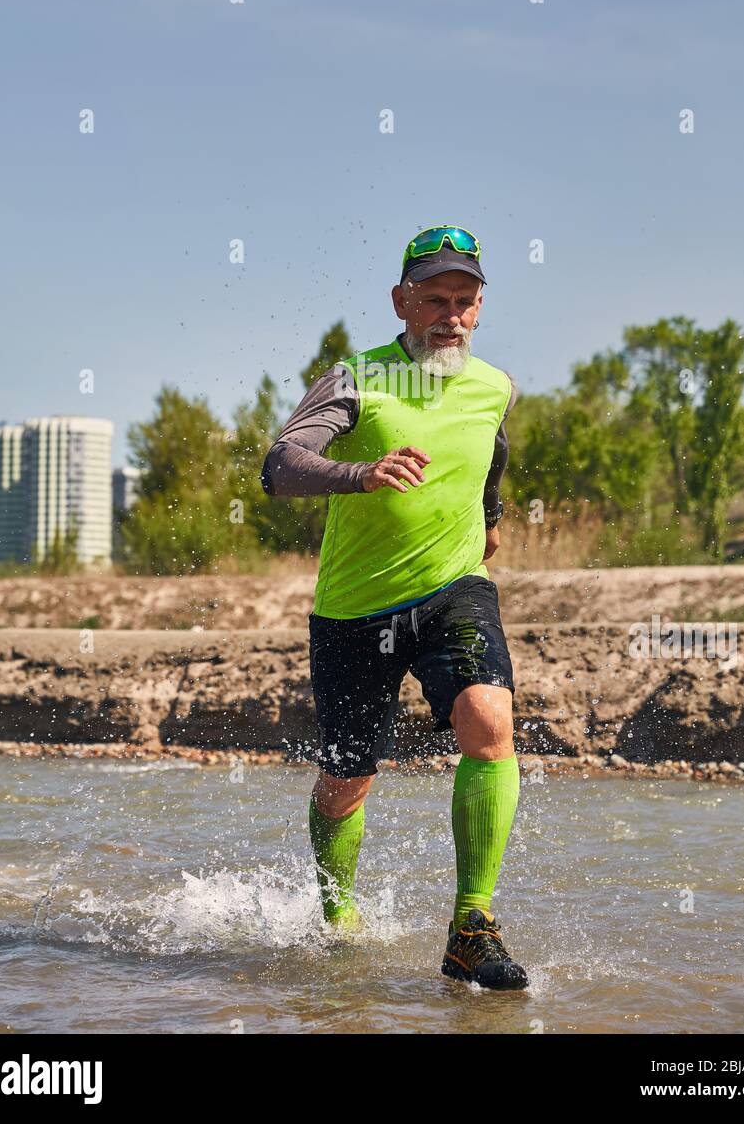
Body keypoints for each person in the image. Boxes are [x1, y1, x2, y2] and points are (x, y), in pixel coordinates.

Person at [261, 226, 528, 990]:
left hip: (455, 587)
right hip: (356, 608)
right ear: (401, 301)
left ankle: (471, 927)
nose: (450, 314)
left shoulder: (495, 385)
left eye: (464, 301)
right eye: (435, 299)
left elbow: (491, 452)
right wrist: (361, 474)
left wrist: (491, 514)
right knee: (348, 779)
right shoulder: (357, 377)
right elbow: (280, 467)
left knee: (489, 721)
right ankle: (337, 914)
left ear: (480, 308)